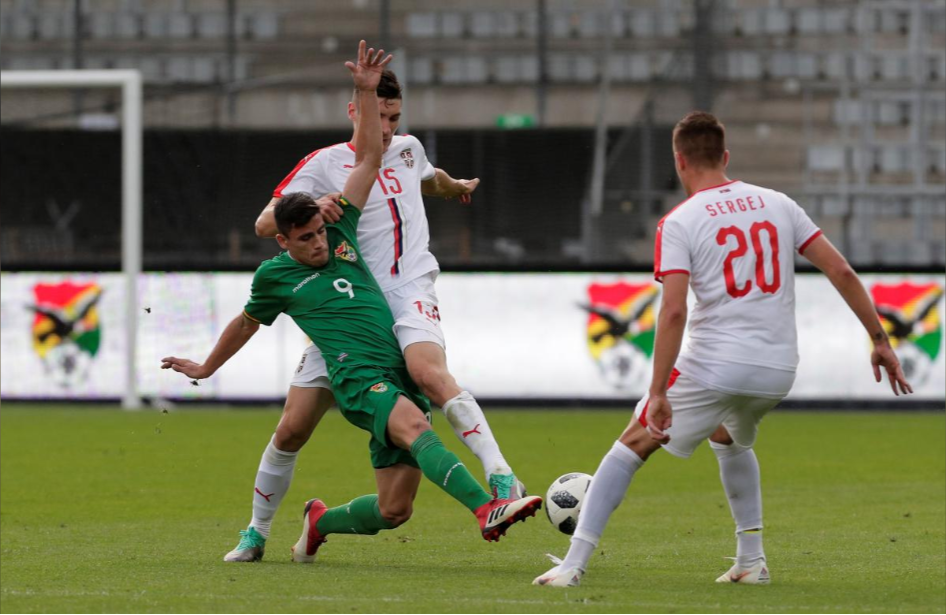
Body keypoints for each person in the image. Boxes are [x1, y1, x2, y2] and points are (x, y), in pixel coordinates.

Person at [162, 41, 542, 565]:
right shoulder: (325, 167)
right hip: (341, 315)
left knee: (424, 393)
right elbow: (265, 223)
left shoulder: (408, 149)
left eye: (394, 116)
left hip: (406, 292)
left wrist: (455, 187)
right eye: (378, 115)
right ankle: (256, 531)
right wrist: (314, 207)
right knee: (292, 428)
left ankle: (501, 477)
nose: (387, 127)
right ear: (356, 112)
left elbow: (428, 178)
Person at [534, 111, 913, 588]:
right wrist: (880, 340)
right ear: (725, 157)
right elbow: (842, 272)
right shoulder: (779, 204)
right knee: (727, 436)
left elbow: (673, 312)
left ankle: (573, 564)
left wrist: (657, 391)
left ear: (680, 161)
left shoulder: (679, 221)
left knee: (630, 445)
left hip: (717, 365)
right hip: (778, 371)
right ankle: (751, 560)